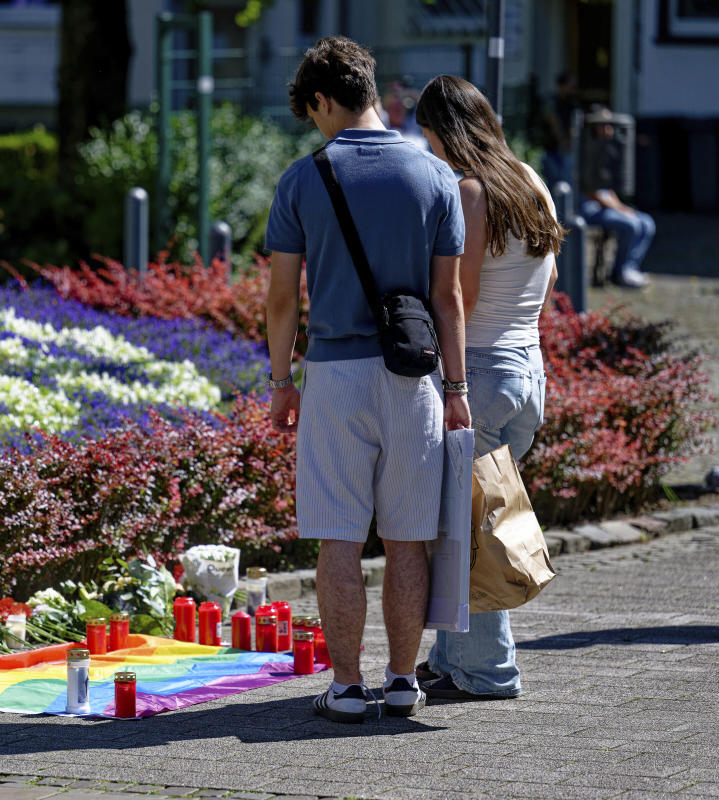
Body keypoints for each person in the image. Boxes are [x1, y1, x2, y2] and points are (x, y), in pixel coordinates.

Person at [265, 36, 470, 724]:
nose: (316, 125)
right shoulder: (436, 178)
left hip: (334, 374)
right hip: (417, 377)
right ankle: (406, 680)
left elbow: (282, 298)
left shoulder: (302, 180)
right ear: (373, 92)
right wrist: (460, 391)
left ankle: (348, 687)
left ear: (322, 100)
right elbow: (450, 300)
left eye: (313, 113)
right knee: (408, 538)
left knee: (340, 539)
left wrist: (280, 381)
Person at [413, 74, 563, 701]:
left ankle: (487, 671)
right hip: (527, 369)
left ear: (445, 132)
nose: (426, 150)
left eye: (426, 137)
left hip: (482, 374)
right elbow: (546, 284)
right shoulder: (531, 181)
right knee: (467, 518)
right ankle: (452, 660)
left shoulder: (470, 193)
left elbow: (461, 299)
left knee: (471, 529)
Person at [579, 106, 654, 290]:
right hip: (589, 209)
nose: (609, 129)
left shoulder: (605, 150)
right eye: (604, 125)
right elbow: (591, 192)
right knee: (632, 225)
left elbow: (607, 188)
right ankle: (620, 272)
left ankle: (630, 267)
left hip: (608, 206)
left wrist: (622, 207)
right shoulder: (585, 151)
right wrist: (619, 210)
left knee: (646, 222)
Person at [541, 72, 578, 189]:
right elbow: (553, 121)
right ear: (562, 86)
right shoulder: (552, 102)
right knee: (555, 183)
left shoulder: (572, 104)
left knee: (565, 183)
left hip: (565, 148)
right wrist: (563, 141)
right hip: (553, 148)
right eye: (570, 86)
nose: (573, 90)